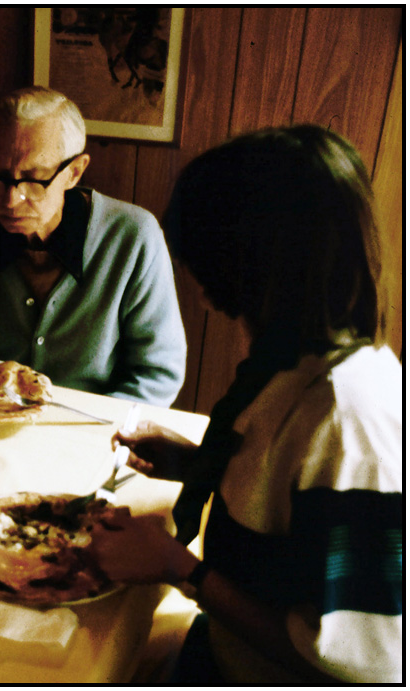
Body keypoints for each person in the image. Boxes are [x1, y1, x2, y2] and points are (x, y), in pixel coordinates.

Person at [90, 125, 402, 683]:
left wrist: (180, 569)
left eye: (200, 261)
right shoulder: (294, 360)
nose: (197, 286)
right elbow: (287, 508)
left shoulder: (346, 419)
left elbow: (357, 667)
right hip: (218, 645)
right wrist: (196, 462)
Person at [0, 86, 186, 406]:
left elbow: (158, 375)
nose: (11, 199)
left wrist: (88, 428)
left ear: (74, 172)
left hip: (89, 428)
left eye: (34, 178)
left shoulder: (134, 238)